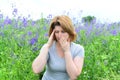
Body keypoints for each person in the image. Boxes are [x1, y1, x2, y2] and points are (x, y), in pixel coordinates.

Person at [32, 15, 85, 80]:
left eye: (63, 32)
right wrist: (47, 46)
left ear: (69, 32)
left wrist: (67, 51)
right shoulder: (49, 47)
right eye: (57, 32)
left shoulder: (78, 49)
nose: (59, 35)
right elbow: (36, 70)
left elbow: (73, 76)